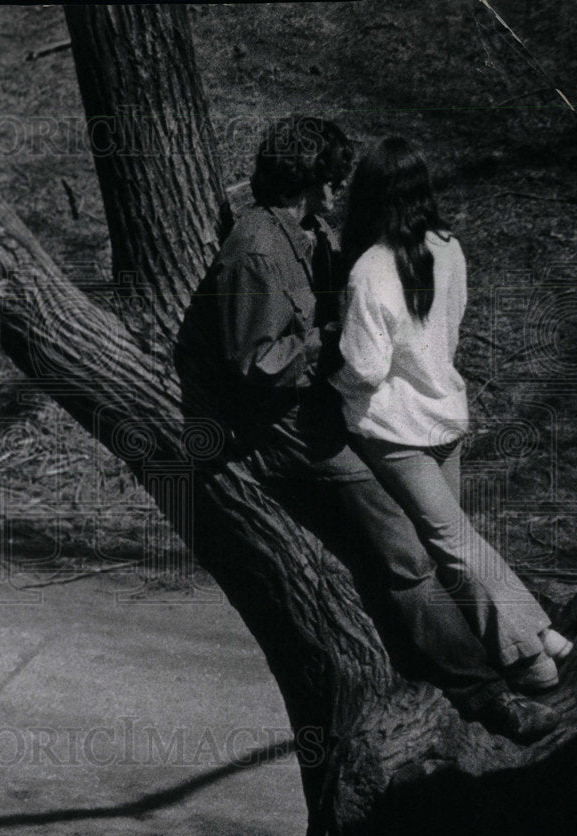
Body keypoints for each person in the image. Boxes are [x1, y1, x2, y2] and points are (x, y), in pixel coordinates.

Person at [200, 116, 557, 743]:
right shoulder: (255, 252)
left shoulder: (310, 232)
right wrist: (328, 342)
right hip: (292, 429)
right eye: (332, 181)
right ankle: (485, 694)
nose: (340, 193)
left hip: (332, 408)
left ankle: (520, 642)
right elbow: (253, 364)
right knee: (409, 556)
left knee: (444, 531)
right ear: (308, 183)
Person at [330, 136, 572, 691]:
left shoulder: (369, 268)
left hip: (397, 431)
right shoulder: (449, 246)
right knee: (459, 540)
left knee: (450, 545)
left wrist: (329, 377)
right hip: (446, 416)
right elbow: (450, 326)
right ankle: (544, 637)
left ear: (367, 195)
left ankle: (528, 659)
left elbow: (364, 369)